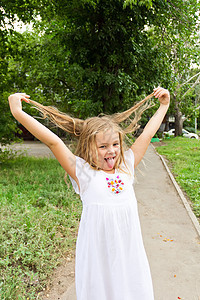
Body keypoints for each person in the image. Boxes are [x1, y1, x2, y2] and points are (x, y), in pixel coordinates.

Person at [8, 86, 170, 300]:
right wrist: (18, 112)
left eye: (114, 144)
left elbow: (148, 134)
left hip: (129, 257)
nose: (111, 150)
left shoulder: (126, 166)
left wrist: (164, 106)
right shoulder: (83, 173)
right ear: (88, 148)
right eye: (102, 146)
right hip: (98, 260)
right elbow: (52, 141)